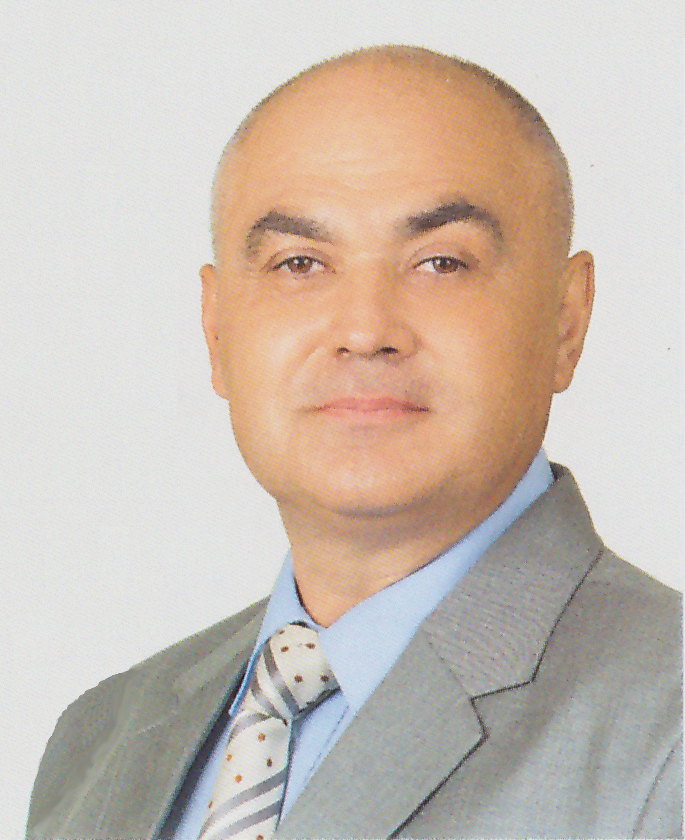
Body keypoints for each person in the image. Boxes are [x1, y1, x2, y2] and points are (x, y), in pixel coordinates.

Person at [26, 45, 681, 840]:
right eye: (299, 263)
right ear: (216, 329)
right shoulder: (100, 741)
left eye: (441, 262)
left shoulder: (664, 722)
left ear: (566, 320)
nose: (364, 329)